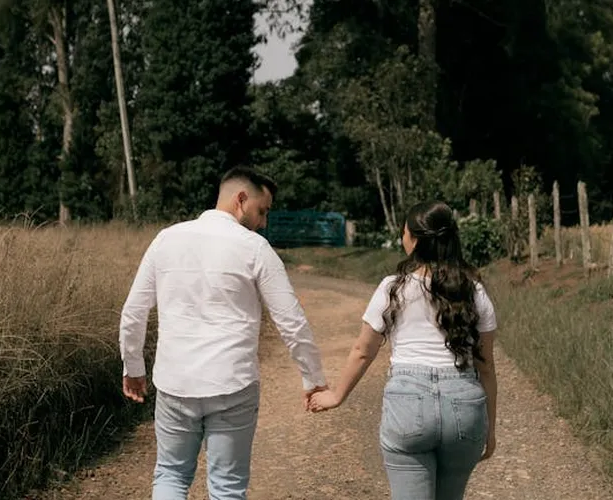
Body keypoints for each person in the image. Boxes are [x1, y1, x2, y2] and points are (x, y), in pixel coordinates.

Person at [118, 167, 329, 500]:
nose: (264, 223)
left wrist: (133, 369)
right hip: (233, 384)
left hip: (176, 382)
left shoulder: (166, 239)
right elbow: (291, 321)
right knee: (227, 489)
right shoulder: (255, 249)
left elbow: (133, 313)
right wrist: (313, 377)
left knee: (170, 476)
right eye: (262, 211)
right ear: (241, 200)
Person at [308, 200, 499, 500]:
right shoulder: (473, 291)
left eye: (404, 232)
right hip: (464, 406)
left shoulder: (392, 287)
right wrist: (489, 428)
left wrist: (336, 395)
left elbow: (362, 350)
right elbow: (485, 366)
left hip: (409, 405)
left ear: (414, 241)